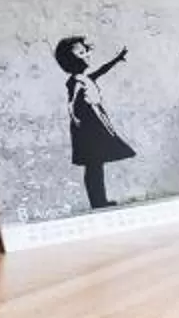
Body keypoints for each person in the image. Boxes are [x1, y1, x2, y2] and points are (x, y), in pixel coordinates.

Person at [54, 36, 134, 209]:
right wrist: (75, 118)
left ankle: (100, 201)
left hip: (92, 123)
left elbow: (103, 70)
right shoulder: (76, 81)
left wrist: (117, 59)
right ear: (72, 60)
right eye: (82, 53)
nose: (87, 54)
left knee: (96, 165)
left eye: (86, 51)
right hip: (87, 126)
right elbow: (72, 102)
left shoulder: (85, 78)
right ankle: (98, 202)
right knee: (93, 165)